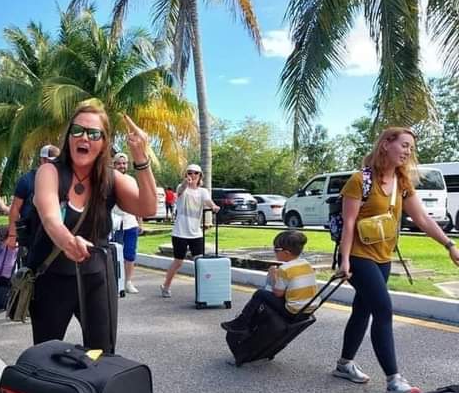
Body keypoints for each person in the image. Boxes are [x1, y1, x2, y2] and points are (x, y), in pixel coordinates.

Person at [333, 127, 459, 393]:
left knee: (362, 309)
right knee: (383, 309)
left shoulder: (402, 183)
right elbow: (349, 223)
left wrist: (449, 245)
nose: (407, 152)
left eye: (410, 148)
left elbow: (423, 219)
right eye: (403, 145)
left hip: (383, 256)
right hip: (358, 256)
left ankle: (344, 364)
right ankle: (394, 380)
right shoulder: (361, 180)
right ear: (386, 144)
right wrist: (344, 260)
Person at [29, 104, 157, 352]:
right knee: (46, 353)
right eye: (77, 130)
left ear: (104, 143)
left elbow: (148, 207)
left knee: (100, 354)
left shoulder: (111, 179)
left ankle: (93, 391)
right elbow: (50, 219)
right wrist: (69, 242)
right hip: (51, 277)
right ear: (68, 137)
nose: (84, 137)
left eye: (93, 133)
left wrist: (141, 157)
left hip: (97, 277)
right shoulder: (49, 171)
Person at [220, 230, 318, 333]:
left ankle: (241, 323)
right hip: (308, 309)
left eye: (276, 249)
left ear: (286, 253)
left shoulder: (285, 269)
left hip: (293, 311)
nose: (274, 252)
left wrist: (273, 276)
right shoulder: (307, 264)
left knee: (260, 294)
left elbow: (278, 293)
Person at [160, 164, 220, 298]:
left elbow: (208, 201)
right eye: (190, 173)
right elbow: (180, 190)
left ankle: (204, 290)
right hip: (180, 232)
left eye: (196, 173)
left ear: (200, 176)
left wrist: (214, 206)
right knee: (178, 262)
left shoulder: (202, 191)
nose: (193, 176)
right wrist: (184, 183)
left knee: (199, 262)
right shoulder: (182, 188)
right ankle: (166, 286)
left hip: (196, 233)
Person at [6, 144, 61, 255]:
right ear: (42, 160)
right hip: (31, 234)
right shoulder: (27, 180)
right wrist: (12, 234)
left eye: (56, 162)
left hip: (55, 234)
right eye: (49, 161)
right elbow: (15, 208)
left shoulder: (62, 178)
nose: (53, 165)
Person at [111, 152, 141, 294]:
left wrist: (140, 222)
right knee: (114, 254)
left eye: (124, 163)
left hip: (130, 222)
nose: (122, 166)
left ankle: (128, 282)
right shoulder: (108, 180)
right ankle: (114, 282)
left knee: (130, 254)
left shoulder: (131, 180)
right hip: (114, 223)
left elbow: (137, 202)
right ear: (114, 164)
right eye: (119, 163)